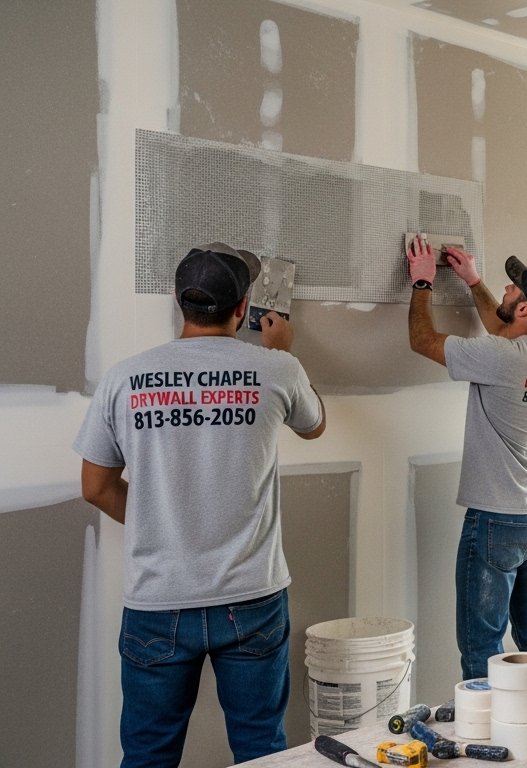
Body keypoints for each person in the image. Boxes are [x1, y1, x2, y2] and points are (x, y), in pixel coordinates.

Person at [75, 243, 326, 767]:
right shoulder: (277, 370)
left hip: (157, 600)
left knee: (148, 755)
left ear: (178, 300)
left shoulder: (124, 378)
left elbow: (96, 487)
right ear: (242, 308)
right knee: (261, 750)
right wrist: (284, 351)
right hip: (252, 597)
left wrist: (158, 521)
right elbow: (314, 425)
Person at [405, 236, 527, 680]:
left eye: (514, 288)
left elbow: (422, 340)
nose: (507, 288)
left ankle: (487, 723)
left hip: (497, 519)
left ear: (523, 308)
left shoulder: (500, 357)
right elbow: (503, 328)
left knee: (482, 645)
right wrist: (473, 281)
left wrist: (423, 283)